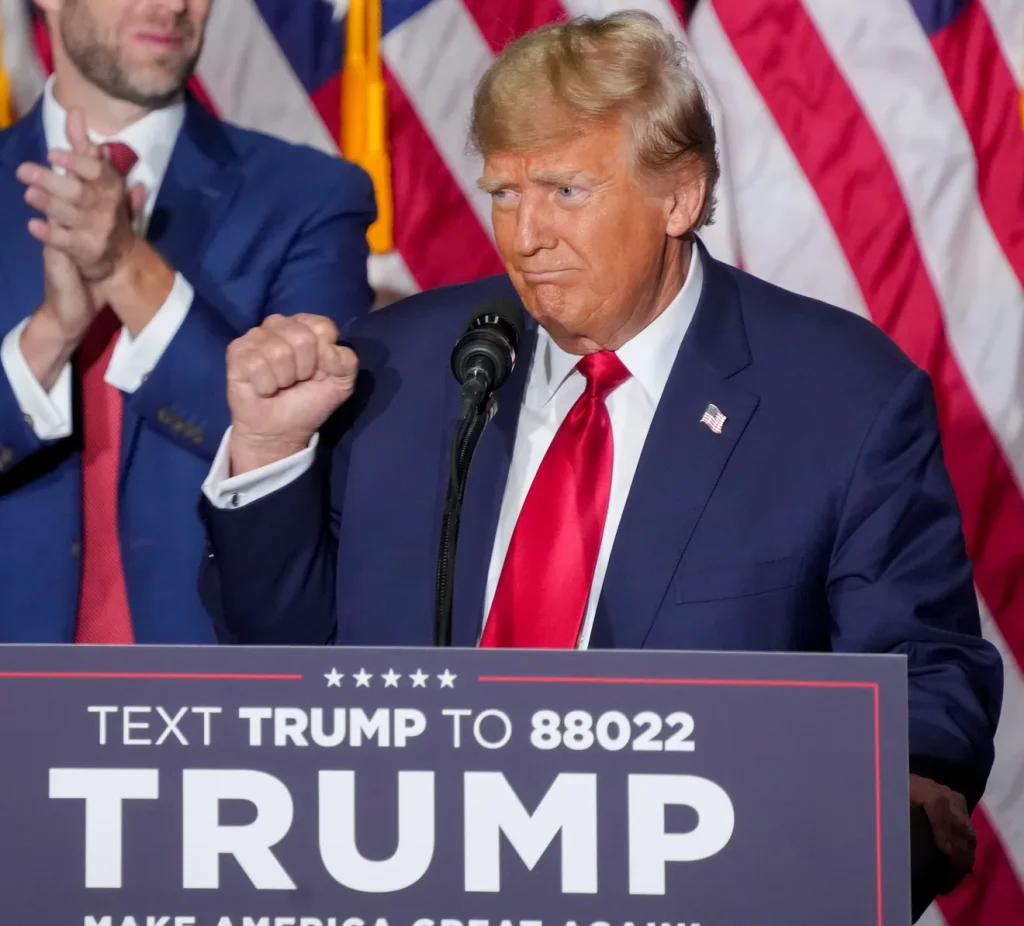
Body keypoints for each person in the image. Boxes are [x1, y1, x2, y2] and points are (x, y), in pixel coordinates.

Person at [197, 11, 1001, 913]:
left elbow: (924, 678)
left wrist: (875, 819)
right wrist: (270, 449)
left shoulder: (841, 399)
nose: (525, 234)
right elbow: (279, 660)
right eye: (505, 192)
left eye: (565, 192)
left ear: (680, 196)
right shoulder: (405, 365)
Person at [0, 0, 375, 642]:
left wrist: (125, 266)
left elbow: (313, 456)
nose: (173, 5)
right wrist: (52, 333)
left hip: (207, 689)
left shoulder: (312, 197)